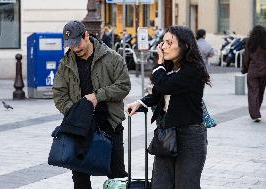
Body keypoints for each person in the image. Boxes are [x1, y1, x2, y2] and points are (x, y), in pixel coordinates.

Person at [126, 26, 210, 189]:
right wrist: (140, 103)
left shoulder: (194, 70)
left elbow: (165, 86)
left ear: (185, 46)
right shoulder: (169, 67)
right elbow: (158, 93)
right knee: (160, 184)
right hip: (166, 132)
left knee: (185, 185)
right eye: (162, 42)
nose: (163, 47)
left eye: (169, 43)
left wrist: (159, 64)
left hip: (190, 135)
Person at [52, 20, 131, 189]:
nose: (75, 48)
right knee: (80, 178)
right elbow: (59, 94)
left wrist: (97, 96)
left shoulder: (112, 58)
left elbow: (124, 86)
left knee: (117, 176)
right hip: (79, 127)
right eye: (71, 45)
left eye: (77, 43)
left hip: (110, 124)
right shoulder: (65, 64)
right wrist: (76, 112)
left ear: (86, 35)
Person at [241, 25, 266, 123]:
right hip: (264, 71)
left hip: (252, 71)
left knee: (253, 92)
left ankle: (255, 114)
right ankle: (257, 112)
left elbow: (246, 58)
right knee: (260, 92)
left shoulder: (249, 42)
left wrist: (245, 68)